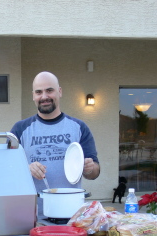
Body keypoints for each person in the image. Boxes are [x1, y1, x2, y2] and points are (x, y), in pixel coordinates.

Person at [10, 71, 100, 215]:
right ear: (33, 95)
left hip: (71, 214)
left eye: (49, 90)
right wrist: (26, 168)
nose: (44, 96)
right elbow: (7, 170)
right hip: (32, 215)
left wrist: (89, 168)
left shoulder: (79, 127)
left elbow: (94, 172)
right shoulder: (20, 129)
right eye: (39, 92)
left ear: (59, 92)